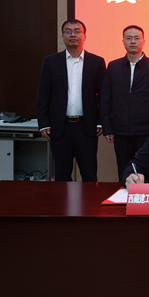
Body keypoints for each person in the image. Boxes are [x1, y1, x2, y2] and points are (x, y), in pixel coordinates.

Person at [36, 19, 106, 181]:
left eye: (77, 31)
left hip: (86, 128)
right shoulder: (50, 61)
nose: (73, 34)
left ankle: (89, 200)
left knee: (89, 175)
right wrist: (44, 123)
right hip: (59, 128)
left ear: (84, 36)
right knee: (61, 175)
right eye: (68, 31)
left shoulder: (96, 62)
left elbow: (103, 96)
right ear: (62, 36)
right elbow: (43, 94)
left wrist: (101, 121)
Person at [100, 25, 149, 182]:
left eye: (136, 38)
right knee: (124, 170)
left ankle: (148, 197)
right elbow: (106, 98)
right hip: (121, 131)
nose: (133, 41)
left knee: (148, 170)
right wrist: (108, 128)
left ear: (143, 41)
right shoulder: (113, 66)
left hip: (147, 131)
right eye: (129, 38)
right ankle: (124, 196)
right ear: (123, 41)